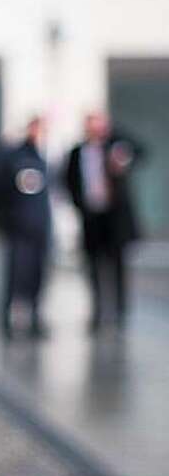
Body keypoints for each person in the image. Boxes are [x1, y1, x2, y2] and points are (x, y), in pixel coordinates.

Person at [64, 112, 145, 331]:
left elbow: (141, 151)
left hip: (115, 219)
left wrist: (117, 141)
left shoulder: (117, 145)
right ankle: (98, 312)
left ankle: (120, 313)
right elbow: (68, 182)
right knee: (94, 267)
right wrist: (80, 206)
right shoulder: (77, 152)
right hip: (92, 219)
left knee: (117, 267)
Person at [0, 116, 51, 339]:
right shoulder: (14, 157)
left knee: (37, 274)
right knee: (15, 274)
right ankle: (8, 319)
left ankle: (35, 318)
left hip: (40, 225)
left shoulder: (45, 157)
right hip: (18, 226)